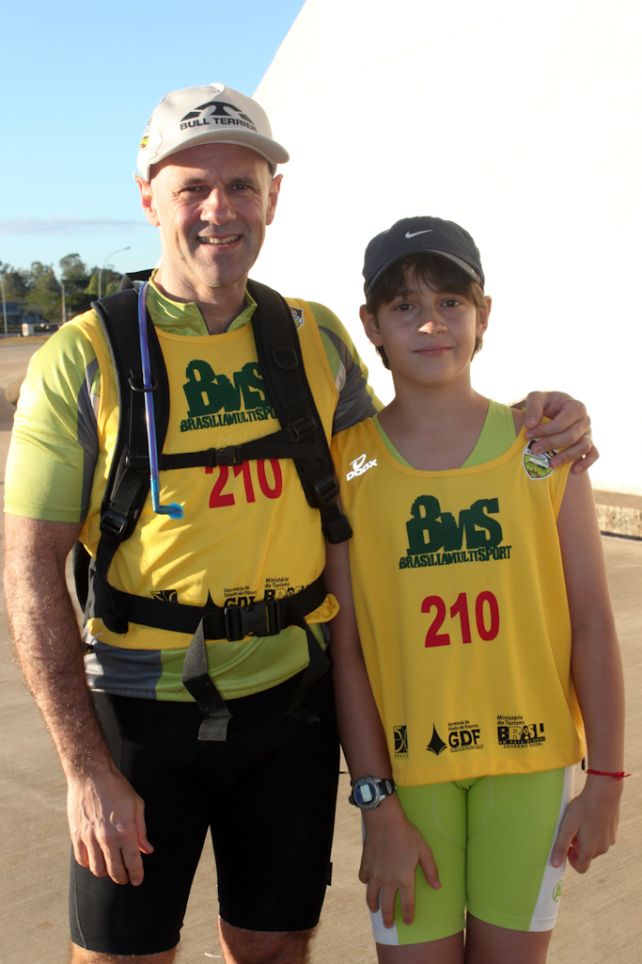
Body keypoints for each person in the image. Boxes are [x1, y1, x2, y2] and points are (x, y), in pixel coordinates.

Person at [3, 81, 596, 964]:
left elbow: (414, 434)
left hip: (288, 708)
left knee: (274, 947)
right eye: (192, 187)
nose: (219, 209)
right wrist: (85, 769)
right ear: (148, 196)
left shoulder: (313, 339)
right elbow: (28, 572)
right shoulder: (79, 358)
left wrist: (543, 418)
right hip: (139, 710)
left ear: (273, 197)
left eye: (242, 185)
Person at [326, 216, 626, 964]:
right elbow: (350, 650)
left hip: (529, 771)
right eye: (404, 306)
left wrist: (610, 778)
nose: (431, 323)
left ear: (483, 314)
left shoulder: (542, 447)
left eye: (451, 303)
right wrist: (376, 803)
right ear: (372, 326)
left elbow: (591, 622)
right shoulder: (346, 466)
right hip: (409, 779)